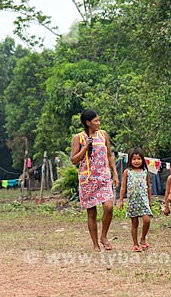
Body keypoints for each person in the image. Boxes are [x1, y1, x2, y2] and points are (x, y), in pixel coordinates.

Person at [70, 108, 119, 252]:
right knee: (91, 213)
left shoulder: (103, 135)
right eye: (95, 121)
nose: (98, 123)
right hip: (88, 179)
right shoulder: (78, 138)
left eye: (98, 120)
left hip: (103, 176)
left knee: (109, 207)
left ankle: (104, 236)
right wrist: (85, 148)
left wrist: (115, 173)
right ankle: (95, 244)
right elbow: (74, 160)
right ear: (88, 123)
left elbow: (110, 155)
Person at [118, 147, 153, 252]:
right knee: (134, 223)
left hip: (143, 200)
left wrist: (150, 200)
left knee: (147, 220)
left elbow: (148, 186)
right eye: (134, 159)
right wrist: (121, 200)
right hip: (133, 201)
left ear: (142, 159)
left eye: (138, 159)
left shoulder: (145, 172)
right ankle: (135, 244)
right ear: (130, 160)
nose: (136, 161)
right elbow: (123, 187)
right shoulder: (127, 172)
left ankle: (143, 238)